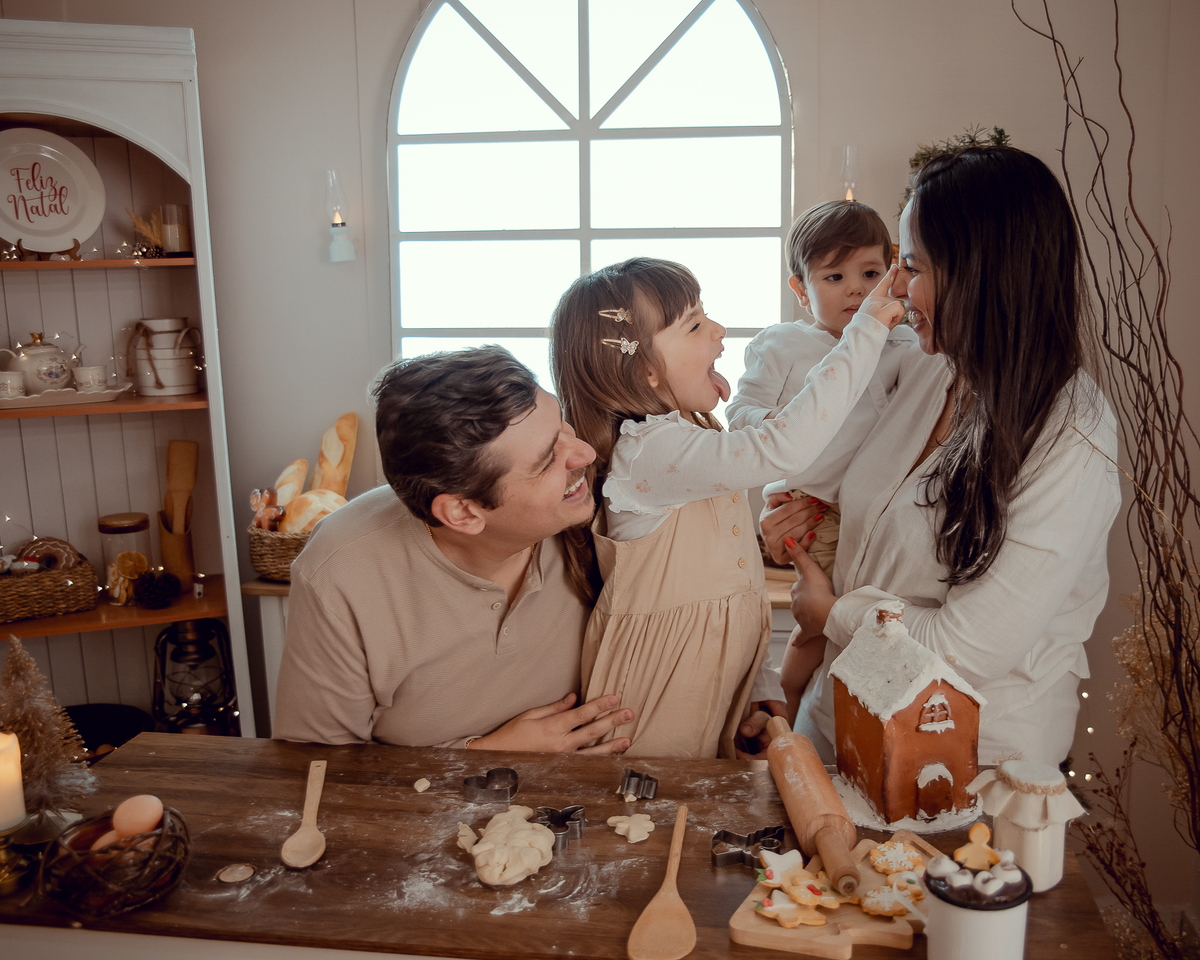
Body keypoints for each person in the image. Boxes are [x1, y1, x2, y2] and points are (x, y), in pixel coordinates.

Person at [762, 146, 1121, 767]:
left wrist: (835, 612)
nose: (893, 287)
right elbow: (858, 497)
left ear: (984, 272)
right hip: (845, 724)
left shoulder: (1072, 434)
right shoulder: (929, 371)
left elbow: (966, 650)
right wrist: (793, 512)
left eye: (913, 267)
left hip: (967, 766)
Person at [550, 256, 905, 758]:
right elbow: (783, 445)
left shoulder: (695, 435)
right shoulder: (648, 451)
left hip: (712, 683)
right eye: (695, 324)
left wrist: (756, 683)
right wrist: (864, 330)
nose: (718, 331)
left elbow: (734, 585)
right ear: (646, 370)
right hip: (652, 693)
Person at [273, 345, 635, 753]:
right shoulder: (339, 571)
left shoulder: (603, 507)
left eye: (563, 427)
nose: (585, 454)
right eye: (547, 460)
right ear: (463, 513)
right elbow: (314, 763)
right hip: (420, 813)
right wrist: (489, 755)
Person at [726, 200, 919, 721]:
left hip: (873, 504)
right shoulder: (785, 344)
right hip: (811, 500)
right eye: (834, 276)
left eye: (871, 273)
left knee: (858, 608)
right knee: (822, 612)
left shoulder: (903, 343)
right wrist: (787, 419)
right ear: (800, 288)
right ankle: (785, 700)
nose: (856, 289)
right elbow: (740, 411)